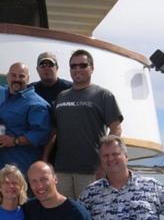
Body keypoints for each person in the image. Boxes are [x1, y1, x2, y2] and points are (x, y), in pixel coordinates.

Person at [45, 49, 123, 199]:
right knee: (65, 215)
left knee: (91, 217)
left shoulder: (103, 95)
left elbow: (116, 129)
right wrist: (45, 159)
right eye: (73, 66)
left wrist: (104, 165)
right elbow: (54, 132)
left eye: (82, 65)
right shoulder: (61, 96)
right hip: (61, 170)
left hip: (91, 171)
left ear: (92, 68)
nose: (77, 69)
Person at [0, 63, 51, 194]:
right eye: (13, 75)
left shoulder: (37, 104)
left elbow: (41, 133)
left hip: (20, 173)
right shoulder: (1, 92)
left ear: (28, 79)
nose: (17, 79)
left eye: (21, 76)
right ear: (7, 77)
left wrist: (15, 141)